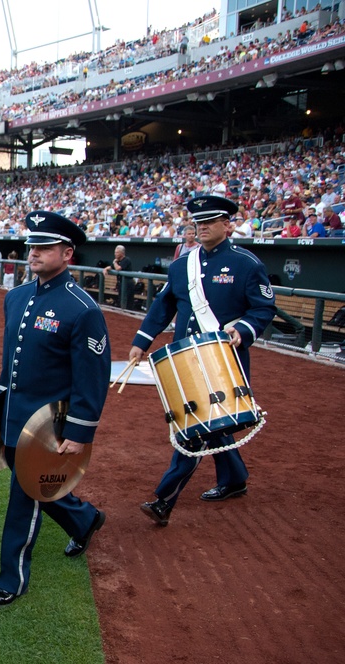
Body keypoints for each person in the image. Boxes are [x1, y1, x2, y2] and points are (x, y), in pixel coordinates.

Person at [0, 210, 110, 608]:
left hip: (49, 424)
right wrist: (0, 408)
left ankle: (11, 579)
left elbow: (92, 376)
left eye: (44, 246)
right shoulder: (16, 296)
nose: (33, 252)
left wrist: (79, 432)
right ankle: (85, 519)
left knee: (24, 496)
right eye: (31, 245)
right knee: (34, 487)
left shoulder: (81, 308)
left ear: (67, 253)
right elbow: (10, 362)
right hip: (15, 415)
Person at [128, 195, 276, 526]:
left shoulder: (246, 264)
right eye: (199, 222)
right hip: (185, 362)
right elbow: (163, 306)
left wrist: (244, 327)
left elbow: (264, 307)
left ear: (228, 224)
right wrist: (142, 341)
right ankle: (235, 479)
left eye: (211, 221)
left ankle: (164, 500)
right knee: (213, 424)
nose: (203, 227)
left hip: (222, 361)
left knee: (195, 428)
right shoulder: (182, 266)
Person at [103, 244, 135, 310]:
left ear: (122, 253)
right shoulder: (118, 261)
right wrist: (105, 269)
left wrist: (114, 262)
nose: (115, 254)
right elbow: (110, 267)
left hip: (128, 284)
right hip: (121, 283)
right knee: (121, 300)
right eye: (115, 252)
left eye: (117, 252)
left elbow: (118, 268)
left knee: (127, 302)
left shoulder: (126, 260)